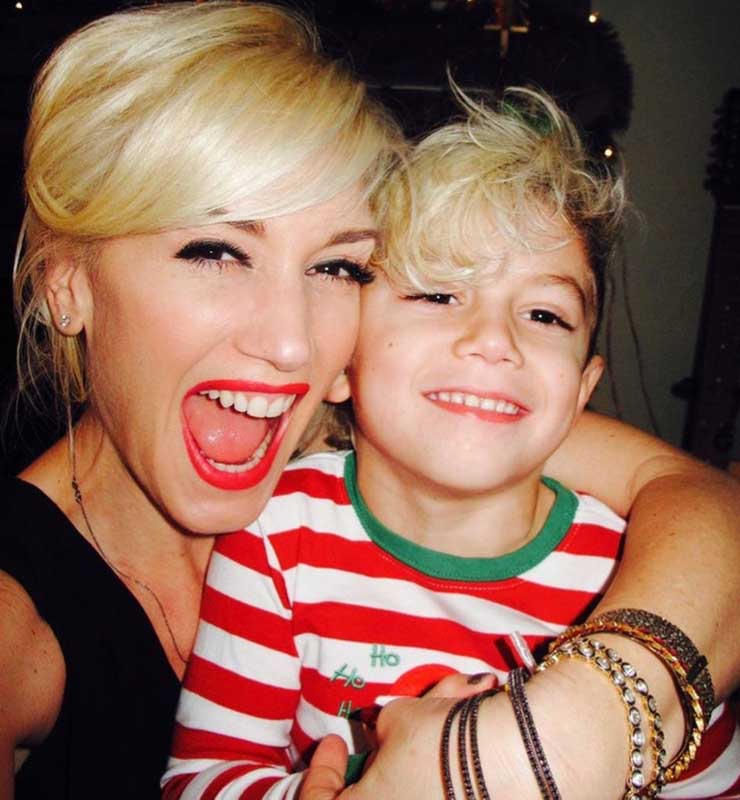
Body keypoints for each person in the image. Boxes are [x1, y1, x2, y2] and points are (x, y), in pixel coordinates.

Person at [0, 3, 738, 799]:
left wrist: (582, 724)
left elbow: (701, 501)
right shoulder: (18, 621)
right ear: (67, 284)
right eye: (215, 251)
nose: (293, 343)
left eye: (336, 268)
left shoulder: (401, 441)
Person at [163, 89, 740, 799]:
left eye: (544, 314)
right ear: (344, 358)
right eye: (438, 295)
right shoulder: (274, 538)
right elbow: (203, 776)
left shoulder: (633, 570)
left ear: (581, 390)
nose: (494, 340)